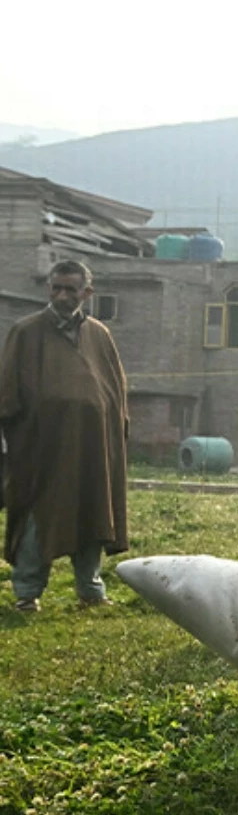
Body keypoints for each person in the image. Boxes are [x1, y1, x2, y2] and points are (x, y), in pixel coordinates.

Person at [0, 259, 127, 612]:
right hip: (42, 449)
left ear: (87, 292)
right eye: (56, 287)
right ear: (48, 288)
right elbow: (7, 393)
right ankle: (27, 593)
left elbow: (115, 392)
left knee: (92, 513)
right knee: (37, 518)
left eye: (70, 289)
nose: (61, 295)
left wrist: (115, 438)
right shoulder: (26, 332)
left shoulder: (99, 335)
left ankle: (91, 591)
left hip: (92, 448)